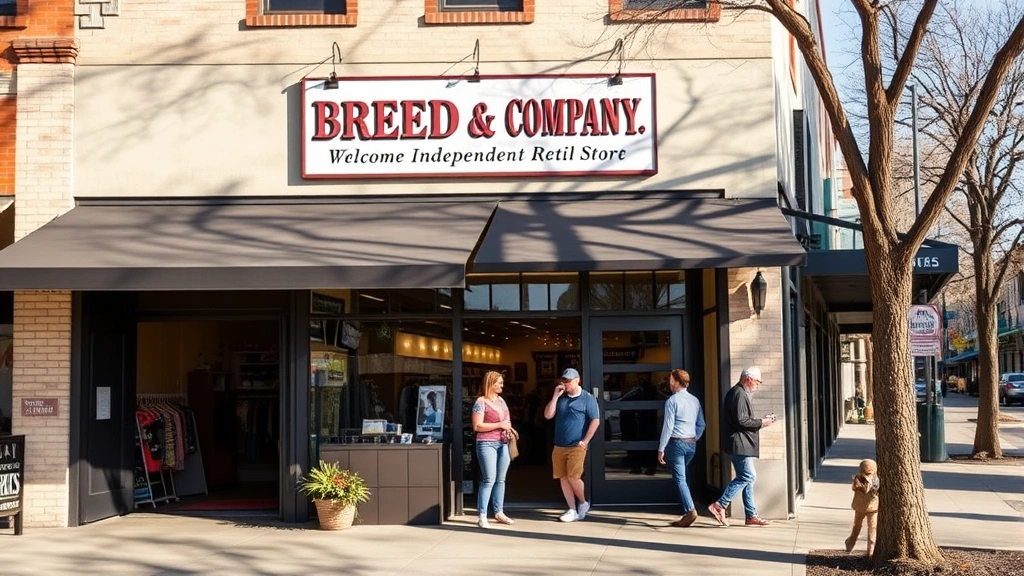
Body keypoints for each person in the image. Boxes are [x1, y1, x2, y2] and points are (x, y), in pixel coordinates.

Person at [708, 366, 776, 527]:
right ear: (749, 379)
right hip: (739, 444)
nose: (758, 385)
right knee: (748, 476)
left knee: (748, 480)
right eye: (757, 382)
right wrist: (762, 422)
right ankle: (720, 505)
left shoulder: (738, 393)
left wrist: (760, 422)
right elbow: (741, 420)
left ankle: (751, 515)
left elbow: (741, 419)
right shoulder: (738, 394)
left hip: (740, 443)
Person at [544, 367, 600, 523]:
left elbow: (595, 420)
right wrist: (555, 396)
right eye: (564, 381)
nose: (565, 384)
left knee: (573, 477)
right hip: (559, 445)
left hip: (577, 445)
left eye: (568, 381)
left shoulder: (587, 398)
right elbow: (548, 415)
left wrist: (586, 440)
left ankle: (583, 502)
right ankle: (572, 509)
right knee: (563, 477)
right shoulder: (561, 398)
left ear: (577, 380)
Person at [657, 369, 705, 528]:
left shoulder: (672, 401)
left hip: (677, 443)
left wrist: (661, 448)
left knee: (680, 478)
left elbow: (668, 426)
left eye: (671, 380)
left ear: (677, 382)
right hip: (691, 443)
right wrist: (694, 437)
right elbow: (701, 424)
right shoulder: (695, 400)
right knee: (684, 476)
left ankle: (690, 510)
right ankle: (687, 510)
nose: (669, 383)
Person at [471, 371, 515, 529]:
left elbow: (507, 420)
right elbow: (477, 426)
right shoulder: (480, 402)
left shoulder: (502, 401)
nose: (502, 385)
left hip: (503, 442)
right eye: (499, 383)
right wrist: (500, 425)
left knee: (501, 479)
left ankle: (499, 511)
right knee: (489, 479)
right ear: (491, 383)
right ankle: (482, 515)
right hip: (486, 443)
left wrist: (507, 428)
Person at [845, 458, 879, 557]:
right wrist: (864, 478)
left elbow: (874, 489)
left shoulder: (876, 479)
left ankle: (870, 552)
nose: (868, 471)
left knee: (872, 528)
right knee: (857, 527)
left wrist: (870, 480)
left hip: (872, 507)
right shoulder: (858, 478)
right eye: (865, 469)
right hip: (860, 507)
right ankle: (850, 543)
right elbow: (858, 488)